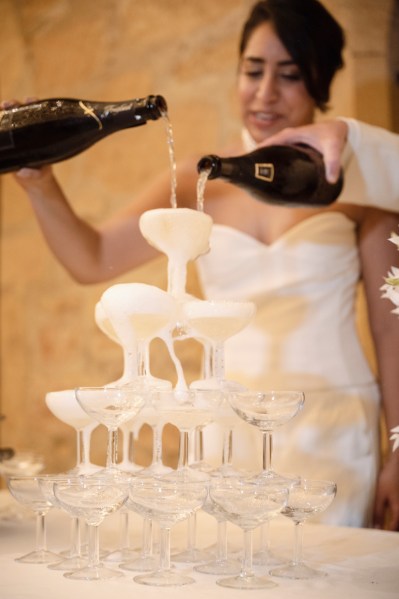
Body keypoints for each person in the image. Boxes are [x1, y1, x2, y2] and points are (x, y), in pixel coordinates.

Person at [3, 0, 399, 529]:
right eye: (253, 71)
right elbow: (90, 258)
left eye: (290, 76)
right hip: (225, 418)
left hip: (333, 422)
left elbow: (390, 325)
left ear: (320, 86)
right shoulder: (200, 180)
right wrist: (40, 182)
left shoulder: (354, 183)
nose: (265, 93)